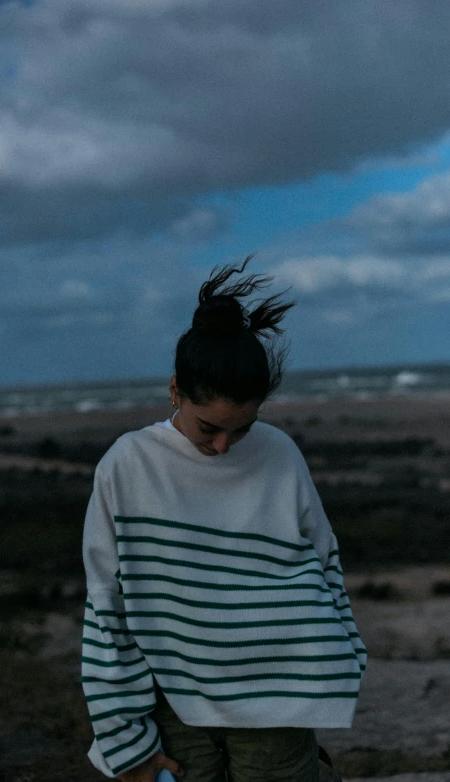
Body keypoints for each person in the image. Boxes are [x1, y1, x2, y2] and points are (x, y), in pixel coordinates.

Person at [81, 258, 366, 782]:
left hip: (282, 694)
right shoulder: (127, 464)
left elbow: (325, 562)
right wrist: (123, 738)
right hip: (174, 697)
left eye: (242, 429)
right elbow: (106, 605)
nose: (222, 445)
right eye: (208, 427)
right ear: (175, 391)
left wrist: (347, 654)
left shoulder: (278, 452)